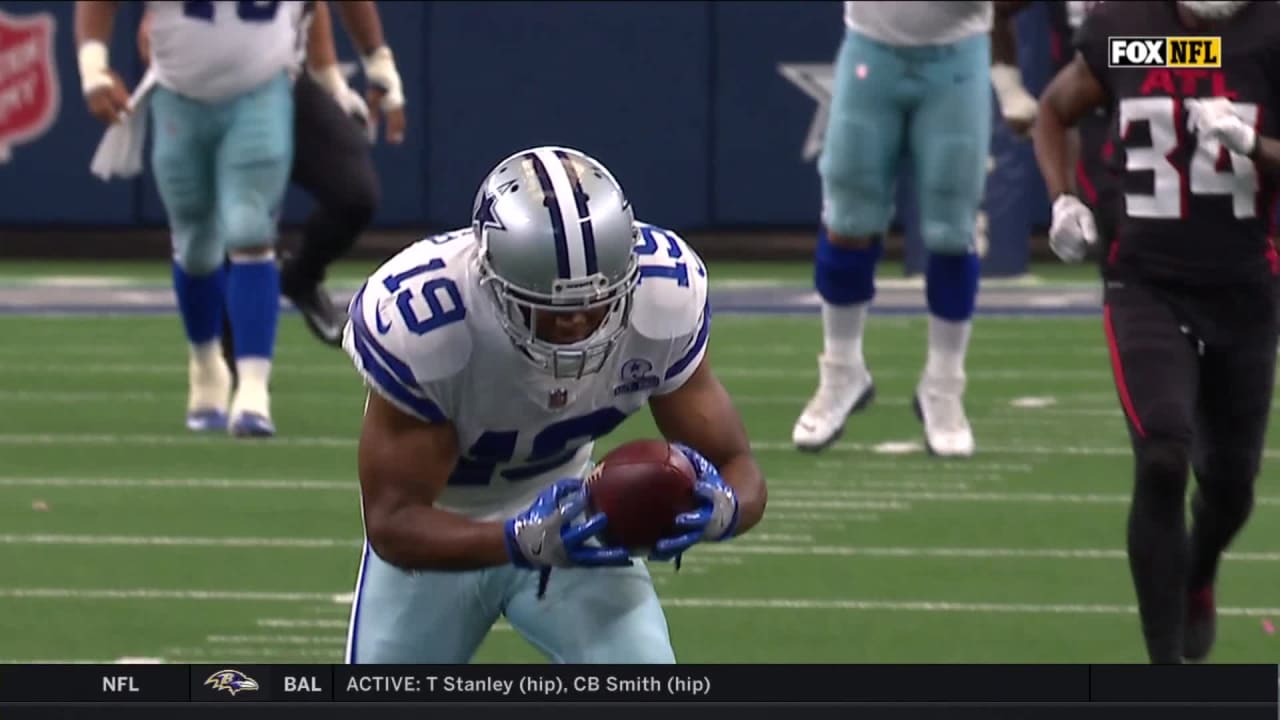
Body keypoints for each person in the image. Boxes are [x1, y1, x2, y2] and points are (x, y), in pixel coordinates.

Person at [341, 146, 768, 663]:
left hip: (573, 519)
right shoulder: (430, 322)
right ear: (492, 282)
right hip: (442, 532)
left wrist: (724, 508)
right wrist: (519, 541)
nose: (577, 324)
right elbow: (393, 523)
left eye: (597, 303)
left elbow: (736, 463)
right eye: (549, 309)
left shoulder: (663, 293)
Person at [1032, 0, 1280, 663]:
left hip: (1245, 287)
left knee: (1231, 487)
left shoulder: (1268, 33)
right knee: (1164, 455)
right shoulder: (1128, 28)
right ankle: (1162, 667)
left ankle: (1197, 573)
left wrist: (1253, 144)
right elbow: (1054, 111)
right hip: (1144, 281)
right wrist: (1064, 198)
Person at [791, 1, 1038, 458]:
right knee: (848, 217)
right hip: (871, 49)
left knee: (952, 227)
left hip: (956, 58)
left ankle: (944, 386)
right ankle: (841, 371)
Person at [76, 0, 308, 437]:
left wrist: (374, 65)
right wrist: (93, 70)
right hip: (178, 93)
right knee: (196, 242)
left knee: (249, 227)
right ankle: (206, 366)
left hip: (260, 88)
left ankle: (254, 391)